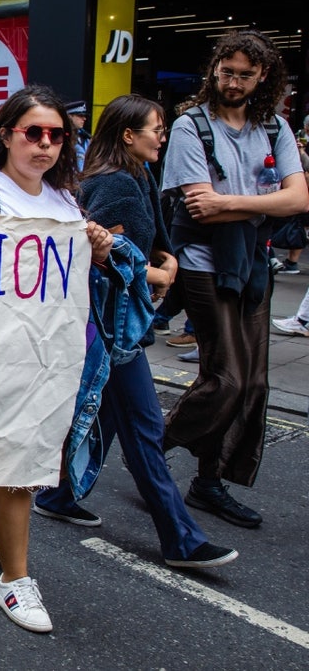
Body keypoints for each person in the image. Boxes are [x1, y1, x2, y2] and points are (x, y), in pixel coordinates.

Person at [31, 94, 238, 569]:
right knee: (144, 429)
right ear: (128, 135)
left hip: (118, 323)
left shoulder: (137, 177)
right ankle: (181, 539)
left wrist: (166, 261)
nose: (162, 136)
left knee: (101, 416)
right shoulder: (116, 185)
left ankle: (59, 495)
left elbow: (141, 245)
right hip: (111, 328)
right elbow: (98, 255)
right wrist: (159, 275)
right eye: (155, 128)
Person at [0, 85, 111, 634]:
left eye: (56, 135)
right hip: (3, 354)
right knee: (21, 462)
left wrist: (96, 248)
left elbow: (70, 276)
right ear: (7, 136)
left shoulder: (63, 200)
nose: (45, 145)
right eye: (32, 133)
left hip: (56, 352)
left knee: (36, 450)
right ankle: (14, 581)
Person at [161, 30, 308, 528]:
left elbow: (299, 200)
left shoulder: (274, 127)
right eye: (227, 72)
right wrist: (255, 208)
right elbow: (197, 207)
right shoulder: (190, 127)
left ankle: (208, 482)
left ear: (262, 76)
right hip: (203, 264)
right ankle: (151, 442)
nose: (234, 82)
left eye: (245, 74)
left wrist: (229, 204)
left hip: (252, 265)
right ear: (215, 69)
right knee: (226, 378)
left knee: (254, 384)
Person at [66, 101, 91, 171]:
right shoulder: (62, 137)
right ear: (70, 116)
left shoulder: (85, 137)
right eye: (80, 115)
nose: (84, 119)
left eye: (84, 116)